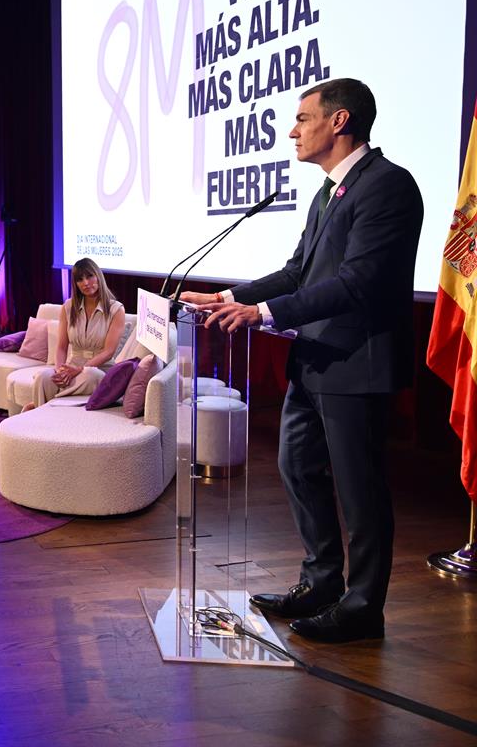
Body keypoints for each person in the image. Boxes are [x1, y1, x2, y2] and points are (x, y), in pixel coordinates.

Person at [180, 78, 423, 643]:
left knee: (359, 491)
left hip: (356, 364)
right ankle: (321, 582)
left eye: (301, 118)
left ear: (339, 122)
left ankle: (363, 608)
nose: (291, 130)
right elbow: (298, 272)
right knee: (297, 469)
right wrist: (232, 298)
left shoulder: (387, 186)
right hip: (313, 358)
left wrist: (263, 313)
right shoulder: (327, 193)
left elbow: (357, 282)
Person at [24, 257, 126, 411]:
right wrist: (59, 372)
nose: (85, 283)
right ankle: (46, 413)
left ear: (98, 276)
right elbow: (61, 347)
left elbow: (108, 352)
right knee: (43, 378)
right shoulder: (68, 307)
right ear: (75, 284)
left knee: (90, 374)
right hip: (71, 368)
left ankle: (41, 406)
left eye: (90, 276)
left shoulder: (116, 309)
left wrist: (79, 370)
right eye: (80, 279)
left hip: (99, 370)